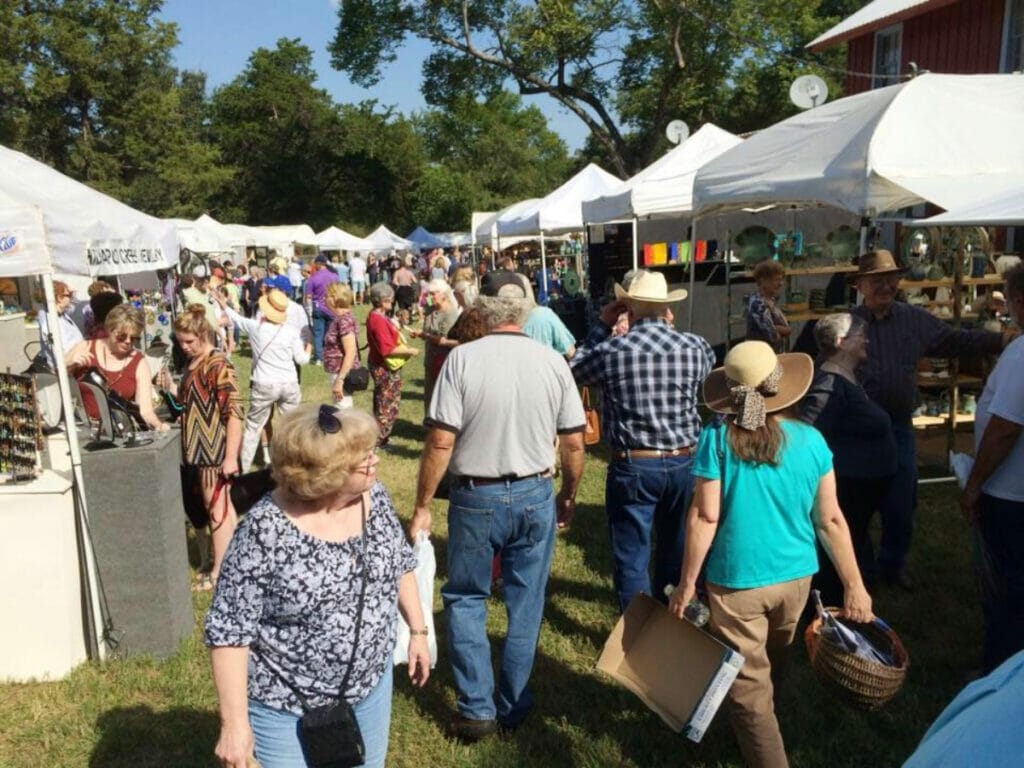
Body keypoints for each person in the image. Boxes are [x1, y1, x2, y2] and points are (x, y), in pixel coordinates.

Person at [669, 340, 873, 768]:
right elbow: (831, 520)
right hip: (797, 580)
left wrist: (686, 585)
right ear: (782, 386)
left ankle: (762, 738)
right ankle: (761, 719)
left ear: (731, 392)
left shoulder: (716, 439)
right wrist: (855, 584)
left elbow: (705, 518)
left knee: (748, 687)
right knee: (769, 661)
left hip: (736, 582)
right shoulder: (813, 440)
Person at [408, 274, 586, 740]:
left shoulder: (462, 358)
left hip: (476, 494)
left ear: (482, 308)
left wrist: (423, 503)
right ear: (525, 309)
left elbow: (441, 439)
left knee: (466, 596)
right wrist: (569, 494)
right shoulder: (551, 361)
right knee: (526, 600)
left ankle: (476, 707)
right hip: (534, 492)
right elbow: (573, 442)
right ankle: (510, 703)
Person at [205, 405, 431, 768]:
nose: (375, 461)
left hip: (369, 689)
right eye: (363, 458)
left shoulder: (375, 499)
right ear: (327, 474)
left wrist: (418, 630)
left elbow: (400, 563)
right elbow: (230, 630)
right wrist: (234, 726)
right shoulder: (265, 531)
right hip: (285, 708)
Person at [850, 249, 1010, 590]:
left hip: (897, 425)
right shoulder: (848, 324)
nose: (886, 285)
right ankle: (862, 570)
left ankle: (892, 564)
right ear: (861, 285)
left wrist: (1001, 339)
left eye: (890, 278)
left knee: (902, 502)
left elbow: (957, 341)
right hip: (858, 430)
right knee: (857, 501)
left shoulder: (913, 319)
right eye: (876, 280)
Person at [570, 269, 715, 611]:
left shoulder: (611, 350)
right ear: (667, 309)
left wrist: (602, 327)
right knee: (675, 546)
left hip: (634, 462)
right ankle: (672, 618)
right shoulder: (696, 346)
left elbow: (572, 371)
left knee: (632, 555)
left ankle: (637, 637)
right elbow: (709, 381)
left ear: (628, 309)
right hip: (685, 459)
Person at [800, 313, 896, 603]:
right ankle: (830, 605)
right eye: (859, 335)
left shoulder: (846, 377)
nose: (865, 339)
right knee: (836, 548)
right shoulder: (828, 384)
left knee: (853, 540)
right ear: (841, 343)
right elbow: (809, 432)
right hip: (848, 485)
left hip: (861, 486)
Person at [961, 264, 1024, 673]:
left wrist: (974, 484)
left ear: (1019, 301)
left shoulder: (1022, 353)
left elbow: (1005, 429)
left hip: (1011, 496)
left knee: (1008, 588)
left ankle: (1001, 673)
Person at [160, 305, 243, 588]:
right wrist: (171, 387)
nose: (184, 347)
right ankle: (232, 564)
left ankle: (220, 570)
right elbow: (192, 405)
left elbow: (234, 414)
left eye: (189, 341)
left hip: (214, 450)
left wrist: (230, 456)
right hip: (198, 449)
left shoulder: (217, 364)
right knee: (220, 507)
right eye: (180, 341)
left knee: (216, 508)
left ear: (203, 334)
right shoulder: (193, 364)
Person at [213, 288, 311, 472]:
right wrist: (309, 346)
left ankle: (244, 469)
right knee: (294, 426)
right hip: (289, 383)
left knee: (252, 428)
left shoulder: (255, 327)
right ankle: (300, 463)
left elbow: (236, 318)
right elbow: (302, 360)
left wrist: (223, 304)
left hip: (264, 383)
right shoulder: (291, 332)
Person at [66, 304, 169, 432]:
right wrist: (67, 364)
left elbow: (145, 410)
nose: (127, 341)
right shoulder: (84, 347)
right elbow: (54, 384)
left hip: (121, 432)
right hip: (83, 430)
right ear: (109, 329)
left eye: (134, 338)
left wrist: (159, 425)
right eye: (122, 336)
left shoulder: (139, 362)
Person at [366, 283, 419, 449]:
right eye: (389, 299)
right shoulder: (378, 320)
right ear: (383, 300)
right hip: (384, 366)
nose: (392, 302)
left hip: (379, 364)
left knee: (383, 401)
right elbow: (387, 349)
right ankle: (379, 440)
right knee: (387, 404)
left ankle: (381, 438)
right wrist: (410, 350)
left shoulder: (376, 316)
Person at [408, 279, 460, 405]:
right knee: (429, 396)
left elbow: (444, 339)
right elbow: (428, 331)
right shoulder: (430, 310)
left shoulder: (450, 313)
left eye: (433, 294)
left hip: (444, 360)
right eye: (428, 294)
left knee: (442, 398)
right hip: (431, 358)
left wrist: (424, 335)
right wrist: (420, 333)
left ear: (443, 294)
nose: (430, 297)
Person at [323, 283, 362, 409]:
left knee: (343, 409)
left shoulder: (344, 320)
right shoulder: (339, 319)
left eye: (327, 296)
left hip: (341, 372)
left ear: (336, 298)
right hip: (337, 371)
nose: (324, 299)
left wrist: (340, 380)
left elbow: (350, 352)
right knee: (340, 407)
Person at [744, 260, 790, 353]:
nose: (781, 284)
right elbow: (772, 335)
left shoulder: (771, 301)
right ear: (762, 281)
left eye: (781, 280)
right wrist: (781, 329)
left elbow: (786, 328)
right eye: (777, 280)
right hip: (759, 355)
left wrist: (781, 329)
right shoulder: (757, 303)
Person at [37, 280, 84, 368]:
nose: (71, 298)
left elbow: (75, 304)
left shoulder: (62, 313)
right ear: (59, 297)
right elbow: (59, 351)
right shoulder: (50, 320)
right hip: (68, 367)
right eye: (68, 295)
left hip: (75, 362)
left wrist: (71, 293)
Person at [303, 254, 339, 366]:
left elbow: (308, 296)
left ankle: (319, 357)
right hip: (331, 307)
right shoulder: (334, 276)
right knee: (330, 333)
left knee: (318, 333)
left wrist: (308, 311)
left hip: (317, 307)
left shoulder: (313, 278)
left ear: (318, 264)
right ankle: (329, 354)